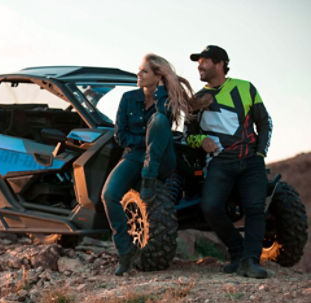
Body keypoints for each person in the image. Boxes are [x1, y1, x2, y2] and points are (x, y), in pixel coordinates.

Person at [101, 53, 193, 276]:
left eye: (144, 71)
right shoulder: (128, 98)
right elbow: (120, 136)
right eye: (139, 70)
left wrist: (161, 91)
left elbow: (162, 127)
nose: (138, 74)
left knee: (159, 121)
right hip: (134, 155)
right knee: (109, 195)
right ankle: (125, 250)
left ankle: (149, 178)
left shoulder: (166, 100)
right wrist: (144, 140)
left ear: (157, 76)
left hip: (161, 157)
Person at [186, 45, 272, 278]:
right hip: (219, 163)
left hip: (250, 161)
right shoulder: (196, 99)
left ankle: (250, 261)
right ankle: (237, 253)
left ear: (219, 63)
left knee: (255, 209)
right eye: (197, 62)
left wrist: (260, 154)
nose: (199, 67)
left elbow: (264, 123)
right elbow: (187, 136)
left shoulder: (245, 88)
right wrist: (201, 139)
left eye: (203, 61)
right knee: (211, 207)